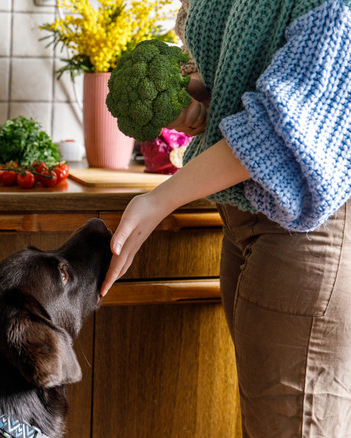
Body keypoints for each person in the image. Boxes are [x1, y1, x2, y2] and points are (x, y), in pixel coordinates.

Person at [100, 0, 351, 436]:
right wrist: (197, 92)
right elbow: (244, 68)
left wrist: (160, 200)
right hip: (241, 218)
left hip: (306, 229)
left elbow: (283, 126)